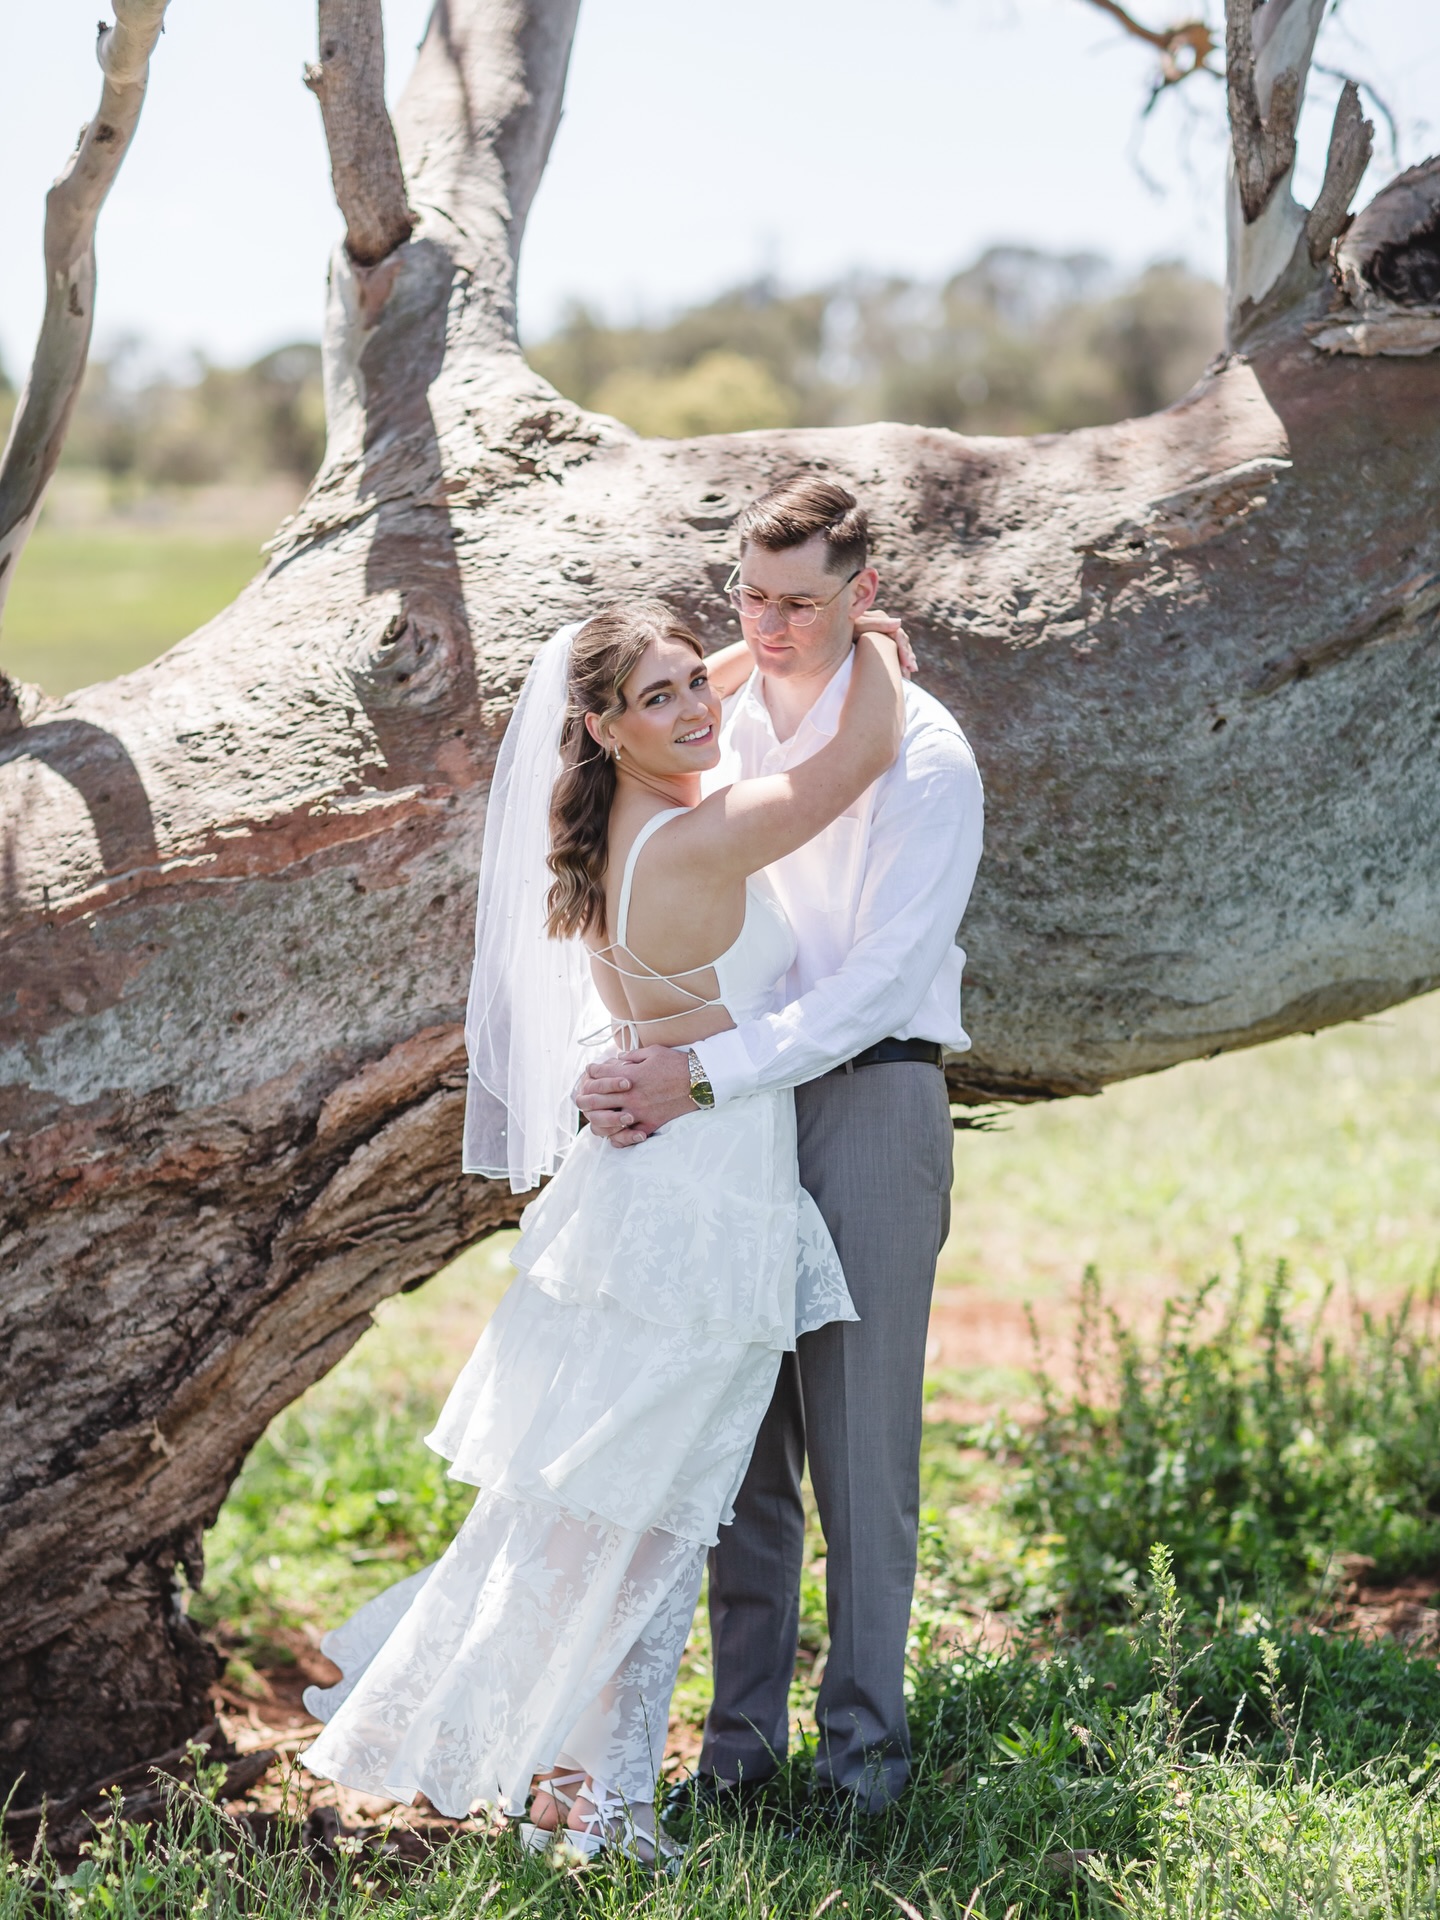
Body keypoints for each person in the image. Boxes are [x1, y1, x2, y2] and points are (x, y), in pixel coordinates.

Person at [298, 598, 907, 1864]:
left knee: (624, 1516)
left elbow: (680, 704)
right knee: (641, 1530)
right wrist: (865, 644)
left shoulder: (609, 817)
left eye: (697, 682)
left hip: (657, 1199)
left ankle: (581, 1794)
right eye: (659, 697)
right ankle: (596, 1801)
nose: (697, 709)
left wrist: (751, 654)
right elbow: (853, 760)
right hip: (700, 1219)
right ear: (603, 727)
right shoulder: (700, 836)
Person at [577, 478, 984, 1822]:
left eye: (804, 602)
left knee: (863, 1458)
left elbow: (875, 987)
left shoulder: (925, 755)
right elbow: (638, 905)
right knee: (738, 1455)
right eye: (753, 598)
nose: (774, 625)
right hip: (726, 1130)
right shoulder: (717, 723)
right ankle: (738, 1759)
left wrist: (698, 1072)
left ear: (865, 596)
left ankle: (865, 1769)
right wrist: (626, 1055)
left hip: (865, 1101)